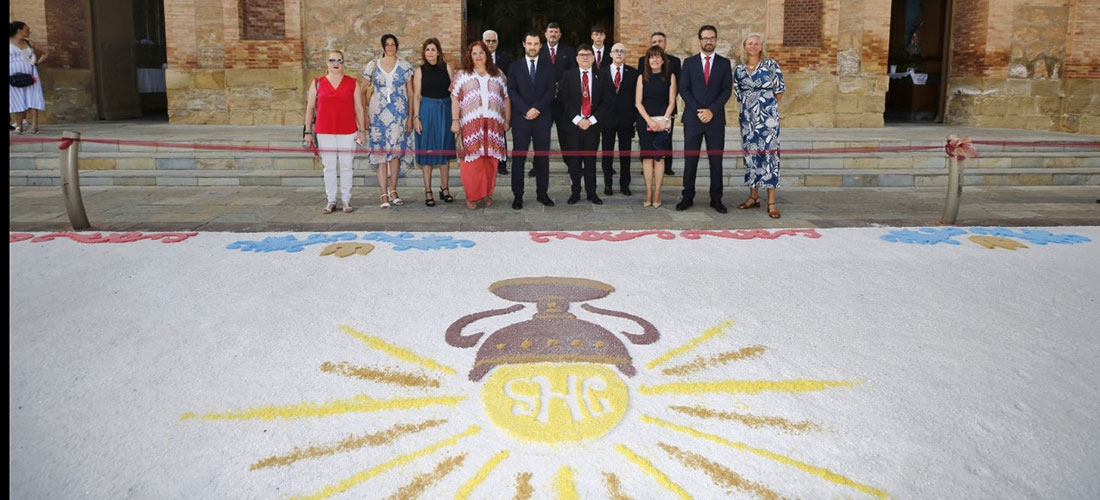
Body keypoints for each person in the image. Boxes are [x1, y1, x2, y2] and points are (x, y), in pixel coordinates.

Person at [677, 25, 733, 213]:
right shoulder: (689, 63)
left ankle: (716, 199)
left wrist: (712, 111)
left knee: (715, 161)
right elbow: (683, 89)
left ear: (716, 40)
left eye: (712, 38)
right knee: (690, 160)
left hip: (715, 120)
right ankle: (687, 197)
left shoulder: (724, 64)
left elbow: (726, 90)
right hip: (693, 119)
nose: (708, 41)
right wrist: (699, 110)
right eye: (705, 38)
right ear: (699, 40)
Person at [450, 41, 511, 210]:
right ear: (470, 55)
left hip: (493, 123)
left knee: (490, 161)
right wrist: (455, 121)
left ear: (487, 54)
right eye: (474, 53)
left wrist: (507, 120)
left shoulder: (498, 74)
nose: (478, 56)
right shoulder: (462, 75)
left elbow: (506, 97)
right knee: (472, 162)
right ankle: (472, 196)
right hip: (470, 123)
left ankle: (487, 193)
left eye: (481, 52)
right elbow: (454, 98)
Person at [304, 51, 366, 213]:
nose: (336, 63)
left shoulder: (352, 83)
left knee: (346, 166)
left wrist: (362, 130)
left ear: (344, 63)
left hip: (348, 131)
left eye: (339, 60)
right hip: (324, 130)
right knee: (329, 167)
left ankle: (346, 200)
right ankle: (331, 200)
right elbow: (310, 108)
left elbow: (359, 108)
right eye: (332, 60)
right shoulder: (317, 83)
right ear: (326, 63)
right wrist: (308, 132)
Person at [734, 33, 786, 219]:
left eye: (757, 43)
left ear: (761, 46)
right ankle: (753, 196)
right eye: (750, 43)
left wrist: (766, 107)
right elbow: (738, 94)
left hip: (767, 119)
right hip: (748, 120)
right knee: (751, 156)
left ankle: (771, 201)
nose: (753, 46)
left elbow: (779, 90)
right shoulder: (739, 70)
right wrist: (751, 110)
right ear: (744, 46)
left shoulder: (771, 65)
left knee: (770, 158)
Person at [362, 34, 414, 209]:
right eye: (387, 44)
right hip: (377, 115)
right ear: (383, 46)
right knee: (381, 153)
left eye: (393, 44)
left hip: (398, 114)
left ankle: (393, 189)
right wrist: (364, 115)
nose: (390, 47)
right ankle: (383, 193)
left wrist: (411, 117)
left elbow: (412, 93)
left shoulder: (405, 67)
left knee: (395, 152)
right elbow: (362, 90)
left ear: (397, 46)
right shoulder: (373, 65)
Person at [507, 31, 556, 209]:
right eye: (529, 44)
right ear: (524, 44)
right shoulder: (514, 67)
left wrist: (537, 108)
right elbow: (511, 91)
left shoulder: (549, 66)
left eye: (536, 44)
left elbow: (551, 91)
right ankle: (518, 195)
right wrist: (526, 109)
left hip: (542, 119)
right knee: (519, 159)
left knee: (542, 158)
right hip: (521, 119)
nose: (533, 47)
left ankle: (542, 193)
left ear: (540, 46)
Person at [560, 45, 611, 205]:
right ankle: (575, 192)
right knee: (574, 161)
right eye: (581, 55)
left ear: (593, 58)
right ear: (576, 58)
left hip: (592, 126)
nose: (585, 58)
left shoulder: (601, 76)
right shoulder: (568, 76)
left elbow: (607, 102)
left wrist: (591, 120)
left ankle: (592, 192)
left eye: (588, 55)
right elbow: (563, 100)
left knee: (590, 160)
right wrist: (577, 119)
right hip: (573, 126)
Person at [412, 38, 457, 207]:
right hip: (427, 111)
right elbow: (416, 96)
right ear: (424, 53)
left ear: (438, 52)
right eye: (427, 50)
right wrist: (416, 117)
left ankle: (444, 188)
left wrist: (455, 117)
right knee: (428, 151)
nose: (430, 52)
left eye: (433, 49)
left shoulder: (448, 68)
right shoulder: (419, 71)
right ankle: (428, 190)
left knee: (444, 151)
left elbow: (454, 94)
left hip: (445, 110)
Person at [635, 46, 677, 208]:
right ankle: (648, 192)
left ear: (663, 59)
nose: (655, 60)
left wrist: (664, 119)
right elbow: (638, 102)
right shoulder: (641, 78)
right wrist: (648, 120)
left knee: (659, 158)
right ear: (647, 60)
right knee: (647, 158)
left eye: (658, 57)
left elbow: (672, 101)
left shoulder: (670, 77)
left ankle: (658, 192)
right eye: (651, 57)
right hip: (645, 121)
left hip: (663, 121)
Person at [535, 22, 576, 178]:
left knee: (565, 134)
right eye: (550, 31)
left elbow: (572, 73)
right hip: (544, 101)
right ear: (545, 34)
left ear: (560, 35)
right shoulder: (538, 51)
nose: (553, 34)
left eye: (556, 32)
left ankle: (571, 164)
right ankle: (536, 166)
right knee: (541, 134)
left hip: (562, 101)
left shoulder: (569, 52)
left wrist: (560, 86)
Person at [640, 32, 681, 176]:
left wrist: (666, 113)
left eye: (660, 41)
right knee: (646, 143)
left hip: (667, 108)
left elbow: (677, 85)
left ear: (665, 43)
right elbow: (642, 84)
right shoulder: (642, 60)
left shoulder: (675, 61)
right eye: (654, 42)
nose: (657, 44)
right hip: (648, 109)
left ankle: (666, 167)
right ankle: (646, 167)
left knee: (666, 140)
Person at [599, 42, 638, 196]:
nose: (619, 54)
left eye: (622, 51)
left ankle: (624, 185)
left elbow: (637, 97)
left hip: (626, 120)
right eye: (616, 51)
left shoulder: (633, 73)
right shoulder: (601, 73)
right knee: (607, 154)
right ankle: (608, 185)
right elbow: (599, 97)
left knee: (625, 154)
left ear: (625, 54)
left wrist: (635, 118)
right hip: (607, 120)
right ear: (610, 54)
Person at [482, 29, 512, 176]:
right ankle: (485, 162)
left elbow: (509, 81)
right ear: (483, 42)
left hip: (499, 104)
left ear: (498, 43)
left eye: (493, 41)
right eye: (488, 41)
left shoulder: (505, 59)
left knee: (500, 135)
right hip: (481, 105)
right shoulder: (476, 58)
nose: (491, 44)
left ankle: (502, 164)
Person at [9, 21, 48, 135]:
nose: (29, 31)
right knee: (16, 98)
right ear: (18, 30)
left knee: (33, 97)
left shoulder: (29, 43)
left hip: (30, 74)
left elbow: (46, 52)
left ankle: (34, 126)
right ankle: (19, 126)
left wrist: (38, 63)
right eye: (27, 29)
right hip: (13, 74)